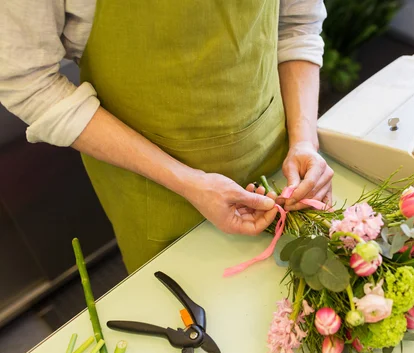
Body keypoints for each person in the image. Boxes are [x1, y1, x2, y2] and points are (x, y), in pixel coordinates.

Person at [0, 0, 334, 273]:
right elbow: (28, 81)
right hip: (158, 190)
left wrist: (304, 140)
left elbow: (297, 22)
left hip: (277, 154)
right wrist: (189, 182)